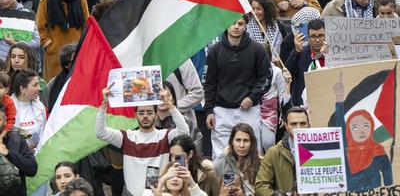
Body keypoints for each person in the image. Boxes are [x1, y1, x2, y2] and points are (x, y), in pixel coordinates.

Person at [96, 83, 188, 196]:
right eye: (141, 112)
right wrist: (104, 104)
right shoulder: (126, 137)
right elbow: (100, 132)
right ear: (135, 115)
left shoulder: (165, 136)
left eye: (149, 113)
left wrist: (169, 104)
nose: (145, 116)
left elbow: (184, 132)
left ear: (156, 115)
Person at [204, 16, 272, 162]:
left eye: (240, 23)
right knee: (221, 156)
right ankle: (221, 184)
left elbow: (266, 78)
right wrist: (209, 110)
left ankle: (251, 183)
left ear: (245, 26)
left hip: (248, 110)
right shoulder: (215, 51)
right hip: (221, 111)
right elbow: (209, 83)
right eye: (233, 23)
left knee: (252, 151)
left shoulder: (257, 49)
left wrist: (252, 97)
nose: (236, 27)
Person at [332, 72, 393, 191]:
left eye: (365, 125)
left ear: (371, 127)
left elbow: (388, 175)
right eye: (354, 127)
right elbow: (339, 124)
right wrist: (339, 99)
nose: (361, 130)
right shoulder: (345, 147)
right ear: (348, 130)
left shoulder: (378, 150)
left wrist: (389, 189)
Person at [35, 0, 88, 81]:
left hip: (76, 48)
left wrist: (83, 43)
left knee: (75, 82)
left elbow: (86, 23)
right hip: (55, 50)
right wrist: (48, 44)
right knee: (54, 84)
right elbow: (40, 25)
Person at [254, 107, 309, 195]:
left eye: (303, 123)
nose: (298, 128)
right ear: (286, 126)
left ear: (309, 125)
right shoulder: (273, 153)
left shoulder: (321, 151)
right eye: (293, 124)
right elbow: (260, 186)